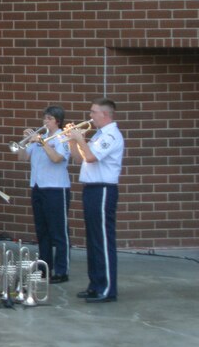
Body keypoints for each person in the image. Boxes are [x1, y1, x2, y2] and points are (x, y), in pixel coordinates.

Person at [69, 98, 125, 303]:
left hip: (103, 189)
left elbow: (91, 157)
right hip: (91, 189)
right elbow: (79, 157)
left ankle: (107, 289)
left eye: (94, 112)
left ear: (106, 115)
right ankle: (95, 284)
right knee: (93, 241)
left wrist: (81, 139)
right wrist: (72, 140)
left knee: (102, 240)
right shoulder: (100, 135)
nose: (90, 116)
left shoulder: (111, 135)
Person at [17, 105, 71, 283]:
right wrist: (24, 142)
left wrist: (41, 142)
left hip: (56, 188)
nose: (45, 121)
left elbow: (57, 159)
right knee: (42, 231)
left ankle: (62, 271)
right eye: (44, 118)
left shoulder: (63, 137)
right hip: (38, 187)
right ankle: (44, 267)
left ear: (58, 121)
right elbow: (22, 158)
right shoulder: (41, 138)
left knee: (59, 232)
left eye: (49, 118)